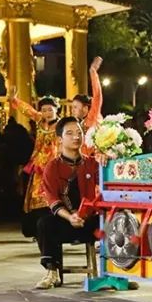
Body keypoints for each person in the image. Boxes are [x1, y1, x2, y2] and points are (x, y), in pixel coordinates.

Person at [34, 117, 100, 289]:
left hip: (91, 223)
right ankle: (52, 272)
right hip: (65, 223)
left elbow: (107, 188)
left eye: (79, 133)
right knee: (44, 223)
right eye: (70, 133)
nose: (76, 137)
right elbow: (52, 200)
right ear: (60, 139)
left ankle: (117, 273)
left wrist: (108, 162)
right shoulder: (52, 167)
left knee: (117, 219)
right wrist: (70, 217)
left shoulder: (93, 163)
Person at [10, 91, 60, 240]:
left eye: (50, 109)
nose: (47, 113)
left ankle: (53, 231)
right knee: (36, 198)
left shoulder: (62, 125)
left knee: (52, 198)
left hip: (54, 167)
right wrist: (15, 100)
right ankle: (38, 231)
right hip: (38, 166)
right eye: (44, 110)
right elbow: (28, 111)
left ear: (57, 109)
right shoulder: (39, 121)